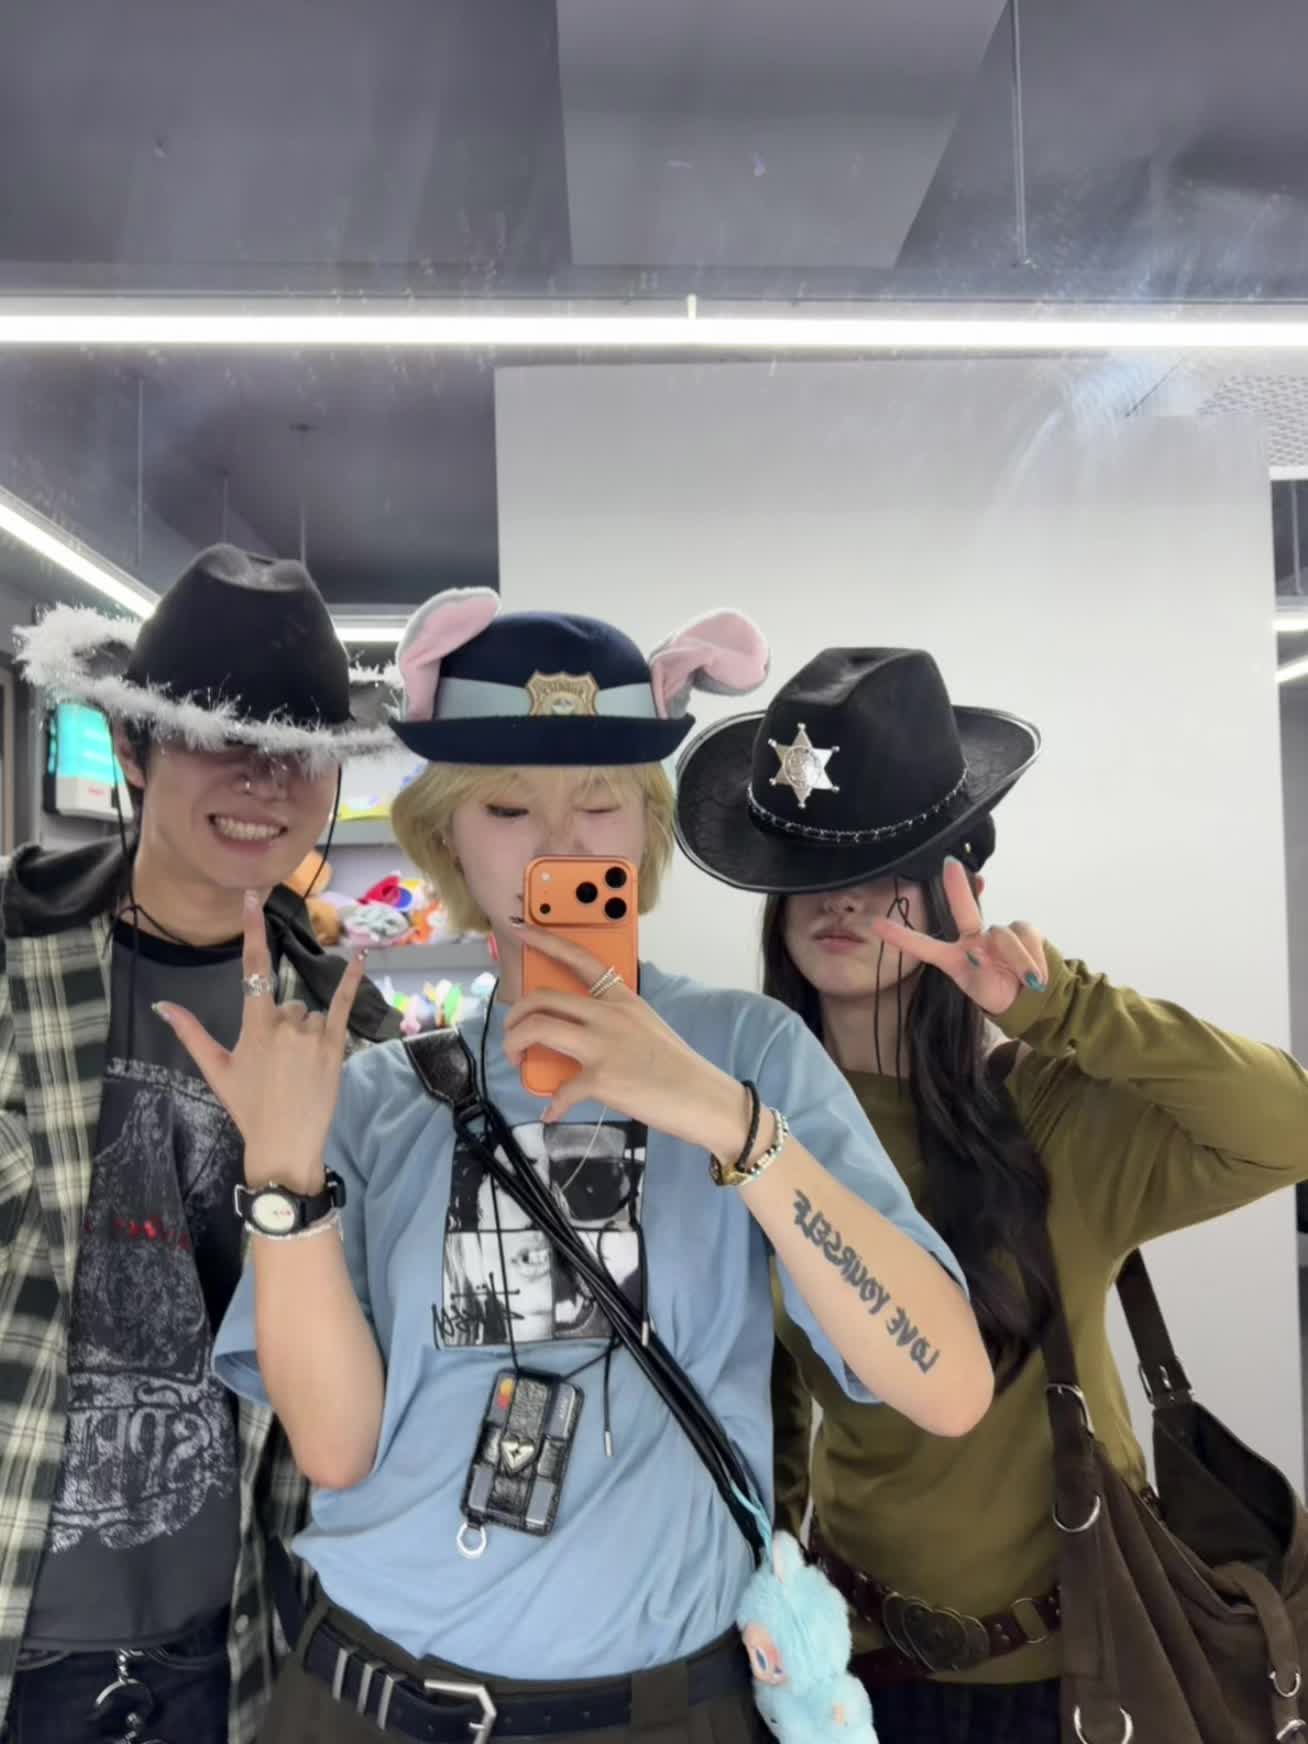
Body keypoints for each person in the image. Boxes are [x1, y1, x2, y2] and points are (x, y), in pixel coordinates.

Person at [167, 589, 993, 1744]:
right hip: (367, 1697)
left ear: (645, 829)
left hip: (663, 1711)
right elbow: (338, 1450)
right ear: (450, 839)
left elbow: (946, 1385)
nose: (560, 844)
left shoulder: (748, 1054)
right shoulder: (377, 1097)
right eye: (508, 806)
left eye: (600, 802)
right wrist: (285, 1177)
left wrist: (720, 1117)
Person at [674, 644, 1308, 1744]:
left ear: (952, 883)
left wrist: (1065, 1007)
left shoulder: (1047, 1111)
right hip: (855, 1675)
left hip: (1090, 1672)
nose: (844, 900)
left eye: (887, 865)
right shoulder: (749, 1132)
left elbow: (1284, 1126)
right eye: (810, 868)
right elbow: (760, 1401)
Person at [1, 545, 400, 1744]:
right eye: (220, 735)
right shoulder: (16, 958)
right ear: (133, 748)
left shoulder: (352, 1036)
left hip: (234, 1649)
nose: (264, 779)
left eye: (299, 749)